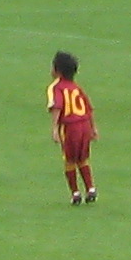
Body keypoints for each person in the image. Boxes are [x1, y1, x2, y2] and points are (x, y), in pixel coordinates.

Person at [47, 51, 97, 204]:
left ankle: (75, 193)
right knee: (83, 159)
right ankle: (90, 188)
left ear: (56, 70)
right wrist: (93, 128)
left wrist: (55, 128)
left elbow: (57, 107)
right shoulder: (76, 87)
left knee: (69, 160)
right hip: (84, 125)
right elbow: (88, 108)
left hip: (70, 127)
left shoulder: (56, 87)